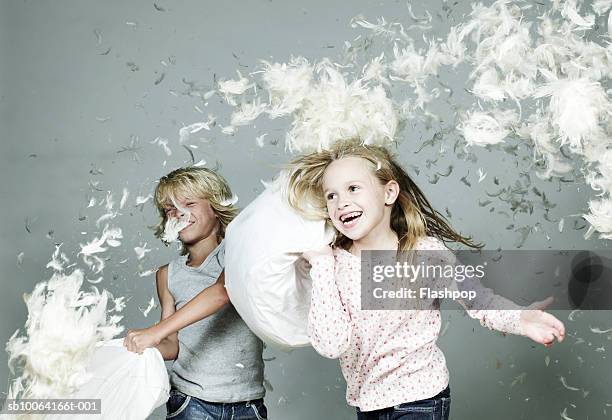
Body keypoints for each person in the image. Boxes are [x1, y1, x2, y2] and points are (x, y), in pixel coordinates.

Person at [286, 138, 565, 420]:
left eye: (353, 188)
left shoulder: (426, 254)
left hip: (419, 399)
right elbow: (331, 344)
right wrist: (321, 265)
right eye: (331, 195)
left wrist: (519, 318)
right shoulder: (330, 263)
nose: (341, 202)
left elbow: (480, 300)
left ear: (389, 192)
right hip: (367, 405)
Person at [123, 167, 267, 420]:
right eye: (170, 209)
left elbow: (222, 292)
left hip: (247, 402)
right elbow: (172, 343)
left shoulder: (238, 251)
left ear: (215, 207)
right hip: (190, 402)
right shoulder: (167, 275)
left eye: (189, 203)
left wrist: (153, 333)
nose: (179, 212)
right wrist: (139, 348)